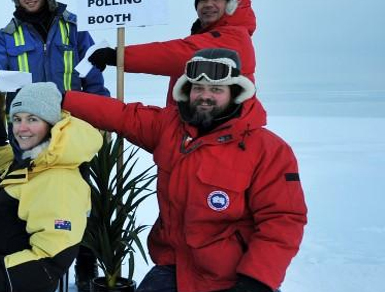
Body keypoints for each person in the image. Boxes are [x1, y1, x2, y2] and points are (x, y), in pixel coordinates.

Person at [63, 49, 307, 292]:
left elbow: (282, 220)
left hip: (233, 276)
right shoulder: (169, 127)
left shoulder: (268, 149)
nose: (205, 96)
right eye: (198, 88)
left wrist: (256, 281)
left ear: (235, 92)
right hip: (174, 266)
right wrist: (64, 99)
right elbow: (123, 116)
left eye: (216, 89)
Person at [0, 0, 109, 290]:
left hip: (70, 131)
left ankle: (85, 264)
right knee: (29, 199)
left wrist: (104, 115)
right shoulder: (7, 35)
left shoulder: (74, 28)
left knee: (79, 201)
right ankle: (28, 264)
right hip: (27, 130)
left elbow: (92, 75)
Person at [0, 82, 102, 292]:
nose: (21, 128)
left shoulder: (59, 181)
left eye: (32, 119)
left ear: (52, 124)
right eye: (17, 119)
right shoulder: (41, 162)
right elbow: (10, 173)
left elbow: (48, 261)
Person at [89, 0, 256, 106]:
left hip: (219, 132)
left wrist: (117, 56)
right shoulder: (208, 36)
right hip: (193, 128)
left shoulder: (233, 36)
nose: (208, 4)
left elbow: (177, 54)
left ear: (231, 6)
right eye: (203, 0)